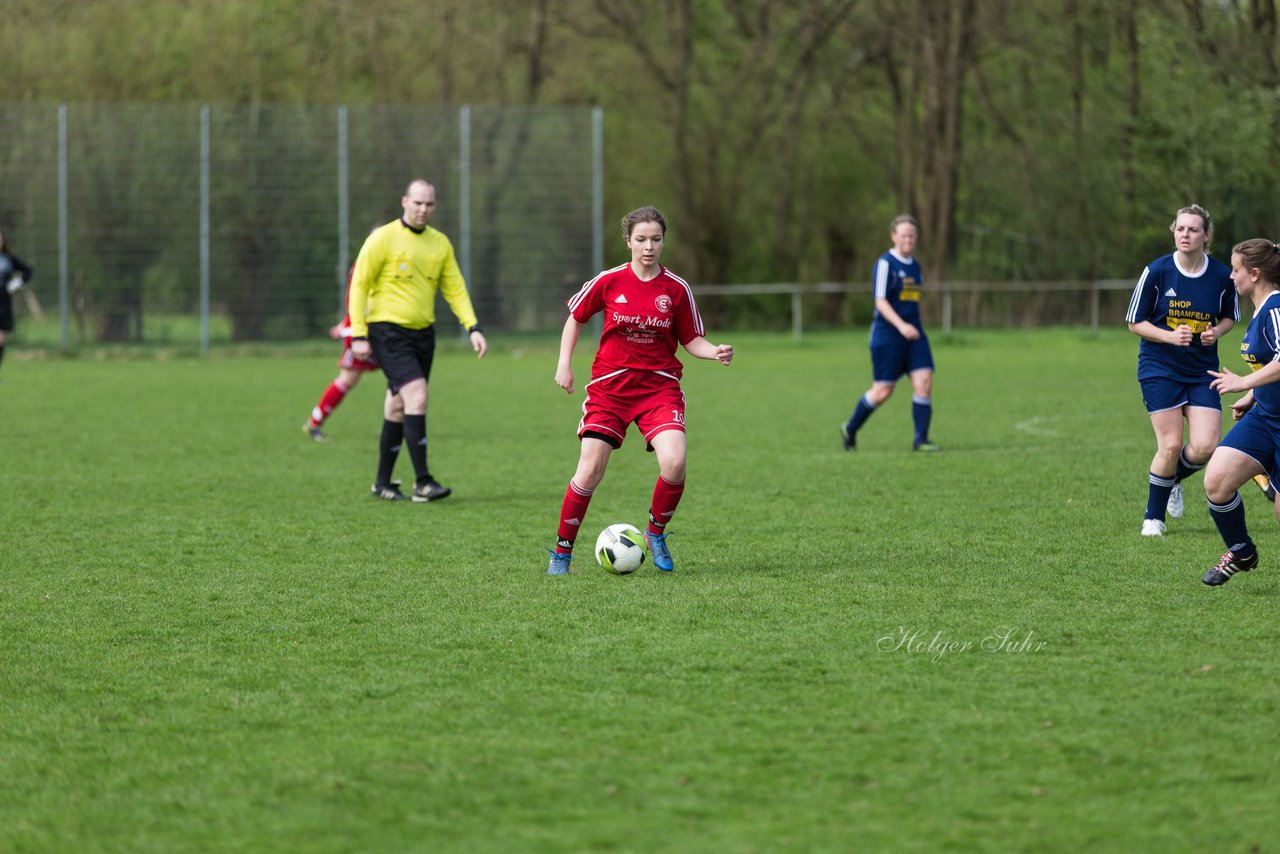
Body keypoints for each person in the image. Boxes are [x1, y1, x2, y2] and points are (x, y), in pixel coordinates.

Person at [545, 206, 734, 576]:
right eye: (641, 239)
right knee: (589, 471)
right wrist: (563, 363)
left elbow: (691, 339)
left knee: (675, 462)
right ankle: (561, 553)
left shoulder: (676, 289)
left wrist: (715, 352)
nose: (649, 246)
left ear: (664, 241)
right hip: (610, 389)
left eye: (656, 239)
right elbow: (576, 318)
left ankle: (655, 532)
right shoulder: (609, 280)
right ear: (628, 241)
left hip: (658, 388)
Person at [347, 179, 488, 502]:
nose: (423, 210)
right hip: (387, 331)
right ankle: (423, 481)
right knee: (417, 396)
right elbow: (359, 285)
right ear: (404, 202)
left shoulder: (440, 244)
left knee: (398, 406)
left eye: (429, 205)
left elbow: (455, 288)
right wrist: (358, 333)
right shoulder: (382, 239)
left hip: (423, 334)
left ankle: (382, 483)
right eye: (417, 203)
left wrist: (473, 327)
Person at [1125, 205, 1237, 537]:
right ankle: (1153, 518)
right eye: (1180, 229)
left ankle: (1171, 479)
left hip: (1201, 370)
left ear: (1206, 236)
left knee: (1206, 445)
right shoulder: (1157, 271)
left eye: (1192, 229)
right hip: (1159, 368)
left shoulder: (1220, 276)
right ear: (1174, 232)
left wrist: (1215, 333)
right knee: (1171, 445)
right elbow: (1134, 322)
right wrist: (1170, 336)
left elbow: (1229, 316)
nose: (1185, 235)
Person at [1199, 238, 1280, 585]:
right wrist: (1254, 393)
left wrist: (1245, 383)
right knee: (1217, 482)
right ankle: (1242, 551)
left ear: (1255, 273)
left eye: (1236, 270)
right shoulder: (1261, 309)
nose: (1231, 277)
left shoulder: (1276, 308)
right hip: (1265, 417)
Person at [840, 214, 940, 453]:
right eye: (904, 235)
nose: (908, 239)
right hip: (888, 335)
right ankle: (850, 428)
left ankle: (920, 440)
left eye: (912, 235)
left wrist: (911, 326)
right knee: (883, 391)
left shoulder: (916, 266)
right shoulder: (885, 263)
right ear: (894, 236)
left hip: (914, 335)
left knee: (924, 383)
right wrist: (900, 325)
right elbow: (880, 301)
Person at [303, 254, 381, 442]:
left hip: (387, 329)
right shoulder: (365, 264)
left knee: (404, 378)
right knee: (348, 378)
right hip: (363, 330)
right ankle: (314, 422)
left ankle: (400, 428)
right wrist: (353, 326)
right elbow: (356, 298)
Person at [0, 227, 35, 376]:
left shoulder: (8, 259)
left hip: (3, 303)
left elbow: (28, 271)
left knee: (1, 338)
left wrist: (15, 284)